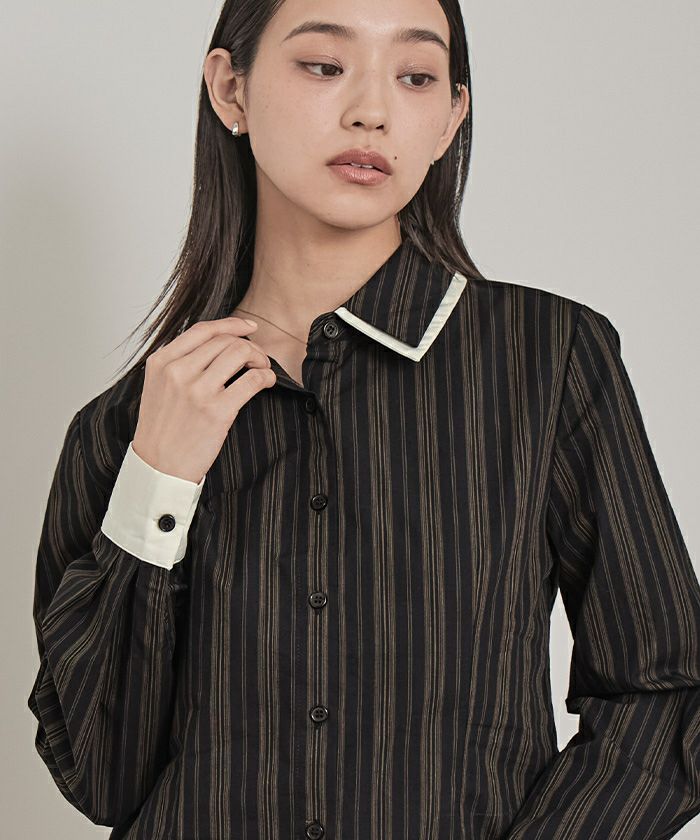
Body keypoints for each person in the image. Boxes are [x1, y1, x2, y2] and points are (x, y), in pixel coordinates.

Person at [27, 1, 700, 838]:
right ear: (230, 90)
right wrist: (159, 479)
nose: (372, 111)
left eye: (415, 76)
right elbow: (101, 774)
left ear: (451, 116)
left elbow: (665, 689)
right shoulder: (126, 424)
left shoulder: (547, 357)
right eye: (324, 66)